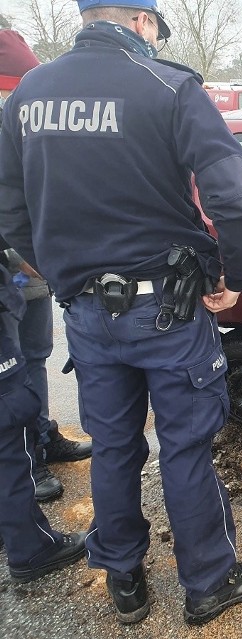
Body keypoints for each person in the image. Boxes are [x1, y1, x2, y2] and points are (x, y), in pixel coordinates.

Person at [0, 0, 242, 625]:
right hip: (168, 312)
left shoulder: (31, 92)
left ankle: (123, 578)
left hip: (88, 315)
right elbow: (235, 195)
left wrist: (55, 269)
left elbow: (11, 209)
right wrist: (234, 274)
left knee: (114, 447)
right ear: (142, 22)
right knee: (185, 446)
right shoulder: (170, 87)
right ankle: (207, 580)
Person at [0, 30, 92, 502]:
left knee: (34, 357)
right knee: (9, 373)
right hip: (15, 271)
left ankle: (42, 436)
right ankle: (25, 463)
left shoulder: (24, 118)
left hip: (33, 272)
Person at [0, 256, 87, 583]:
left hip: (22, 284)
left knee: (30, 366)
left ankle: (43, 441)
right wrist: (20, 253)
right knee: (9, 413)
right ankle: (30, 547)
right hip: (14, 275)